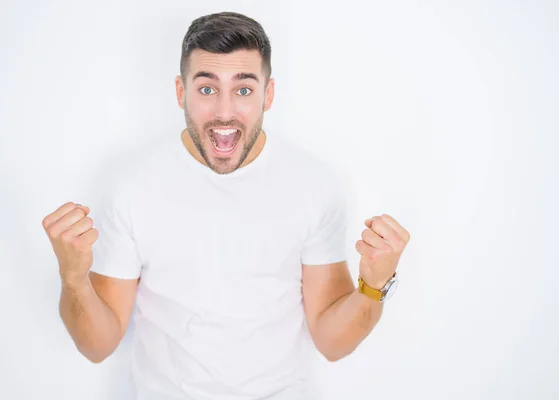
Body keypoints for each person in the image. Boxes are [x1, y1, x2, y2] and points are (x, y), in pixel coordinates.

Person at [41, 11, 410, 400]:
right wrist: (73, 279)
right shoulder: (131, 185)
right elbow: (97, 346)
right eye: (206, 89)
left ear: (268, 95)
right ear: (181, 92)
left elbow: (333, 344)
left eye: (244, 90)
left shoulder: (314, 186)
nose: (224, 112)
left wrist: (374, 285)